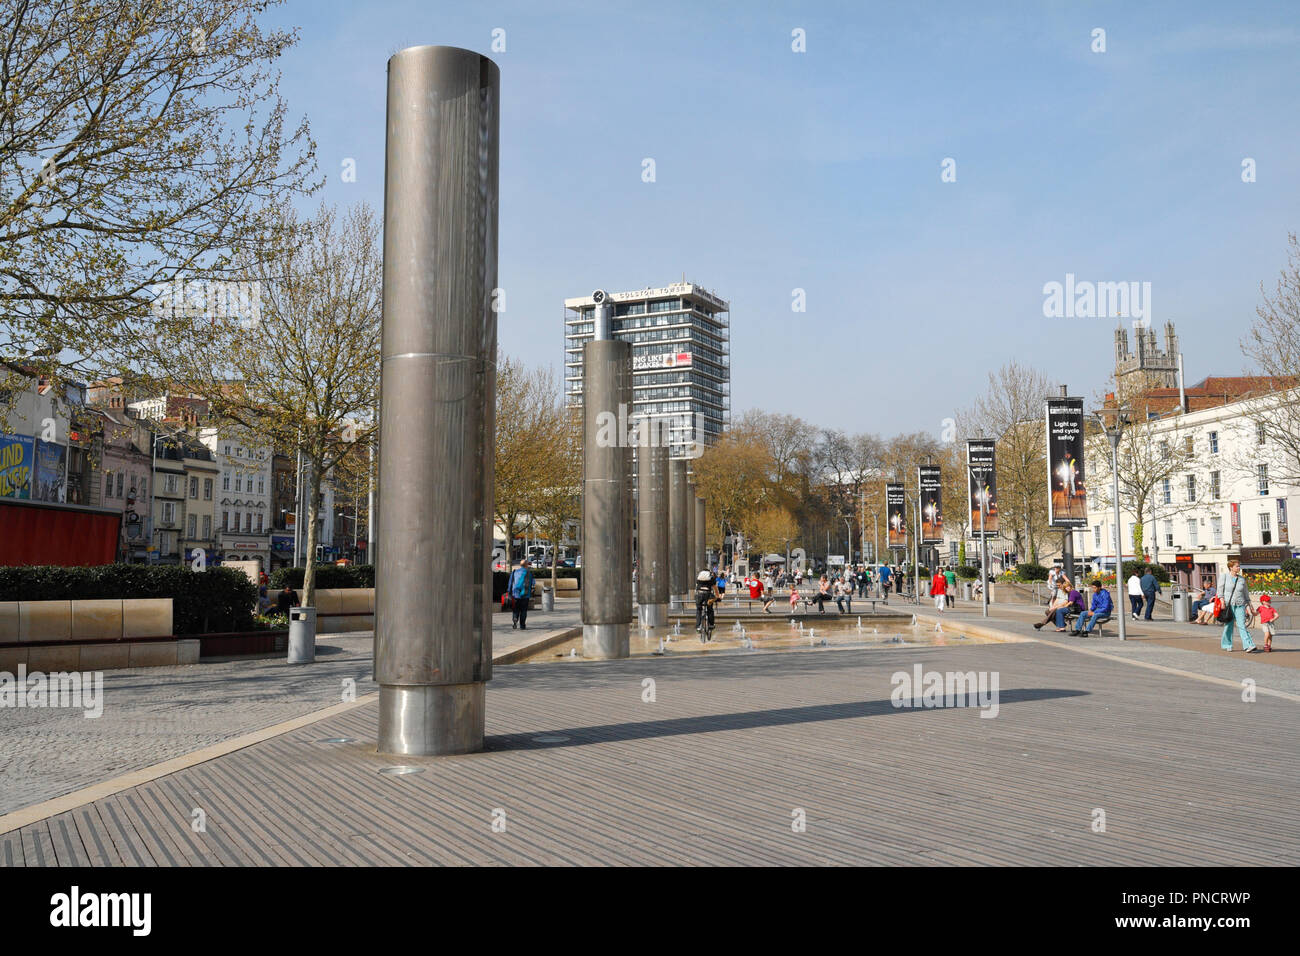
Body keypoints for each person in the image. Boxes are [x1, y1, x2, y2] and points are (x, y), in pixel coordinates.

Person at [1219, 558, 1258, 653]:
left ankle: (1249, 645)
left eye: (1239, 566)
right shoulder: (1224, 576)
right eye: (1237, 566)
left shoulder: (1241, 579)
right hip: (1228, 604)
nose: (1239, 568)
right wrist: (1222, 602)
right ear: (1231, 567)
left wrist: (1250, 605)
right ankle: (1227, 644)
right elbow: (1219, 591)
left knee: (1242, 625)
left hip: (1240, 604)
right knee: (1229, 625)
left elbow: (1246, 594)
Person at [694, 569, 721, 641]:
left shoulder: (699, 577)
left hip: (699, 595)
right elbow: (715, 588)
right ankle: (711, 624)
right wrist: (718, 597)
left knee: (699, 610)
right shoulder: (711, 578)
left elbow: (696, 588)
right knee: (710, 610)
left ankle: (698, 626)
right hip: (708, 595)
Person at [509, 558, 535, 630]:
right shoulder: (529, 573)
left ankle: (515, 620)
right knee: (523, 610)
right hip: (525, 595)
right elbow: (533, 583)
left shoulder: (514, 572)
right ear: (526, 565)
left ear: (520, 565)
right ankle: (522, 625)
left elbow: (510, 583)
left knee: (516, 609)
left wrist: (509, 592)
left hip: (515, 594)